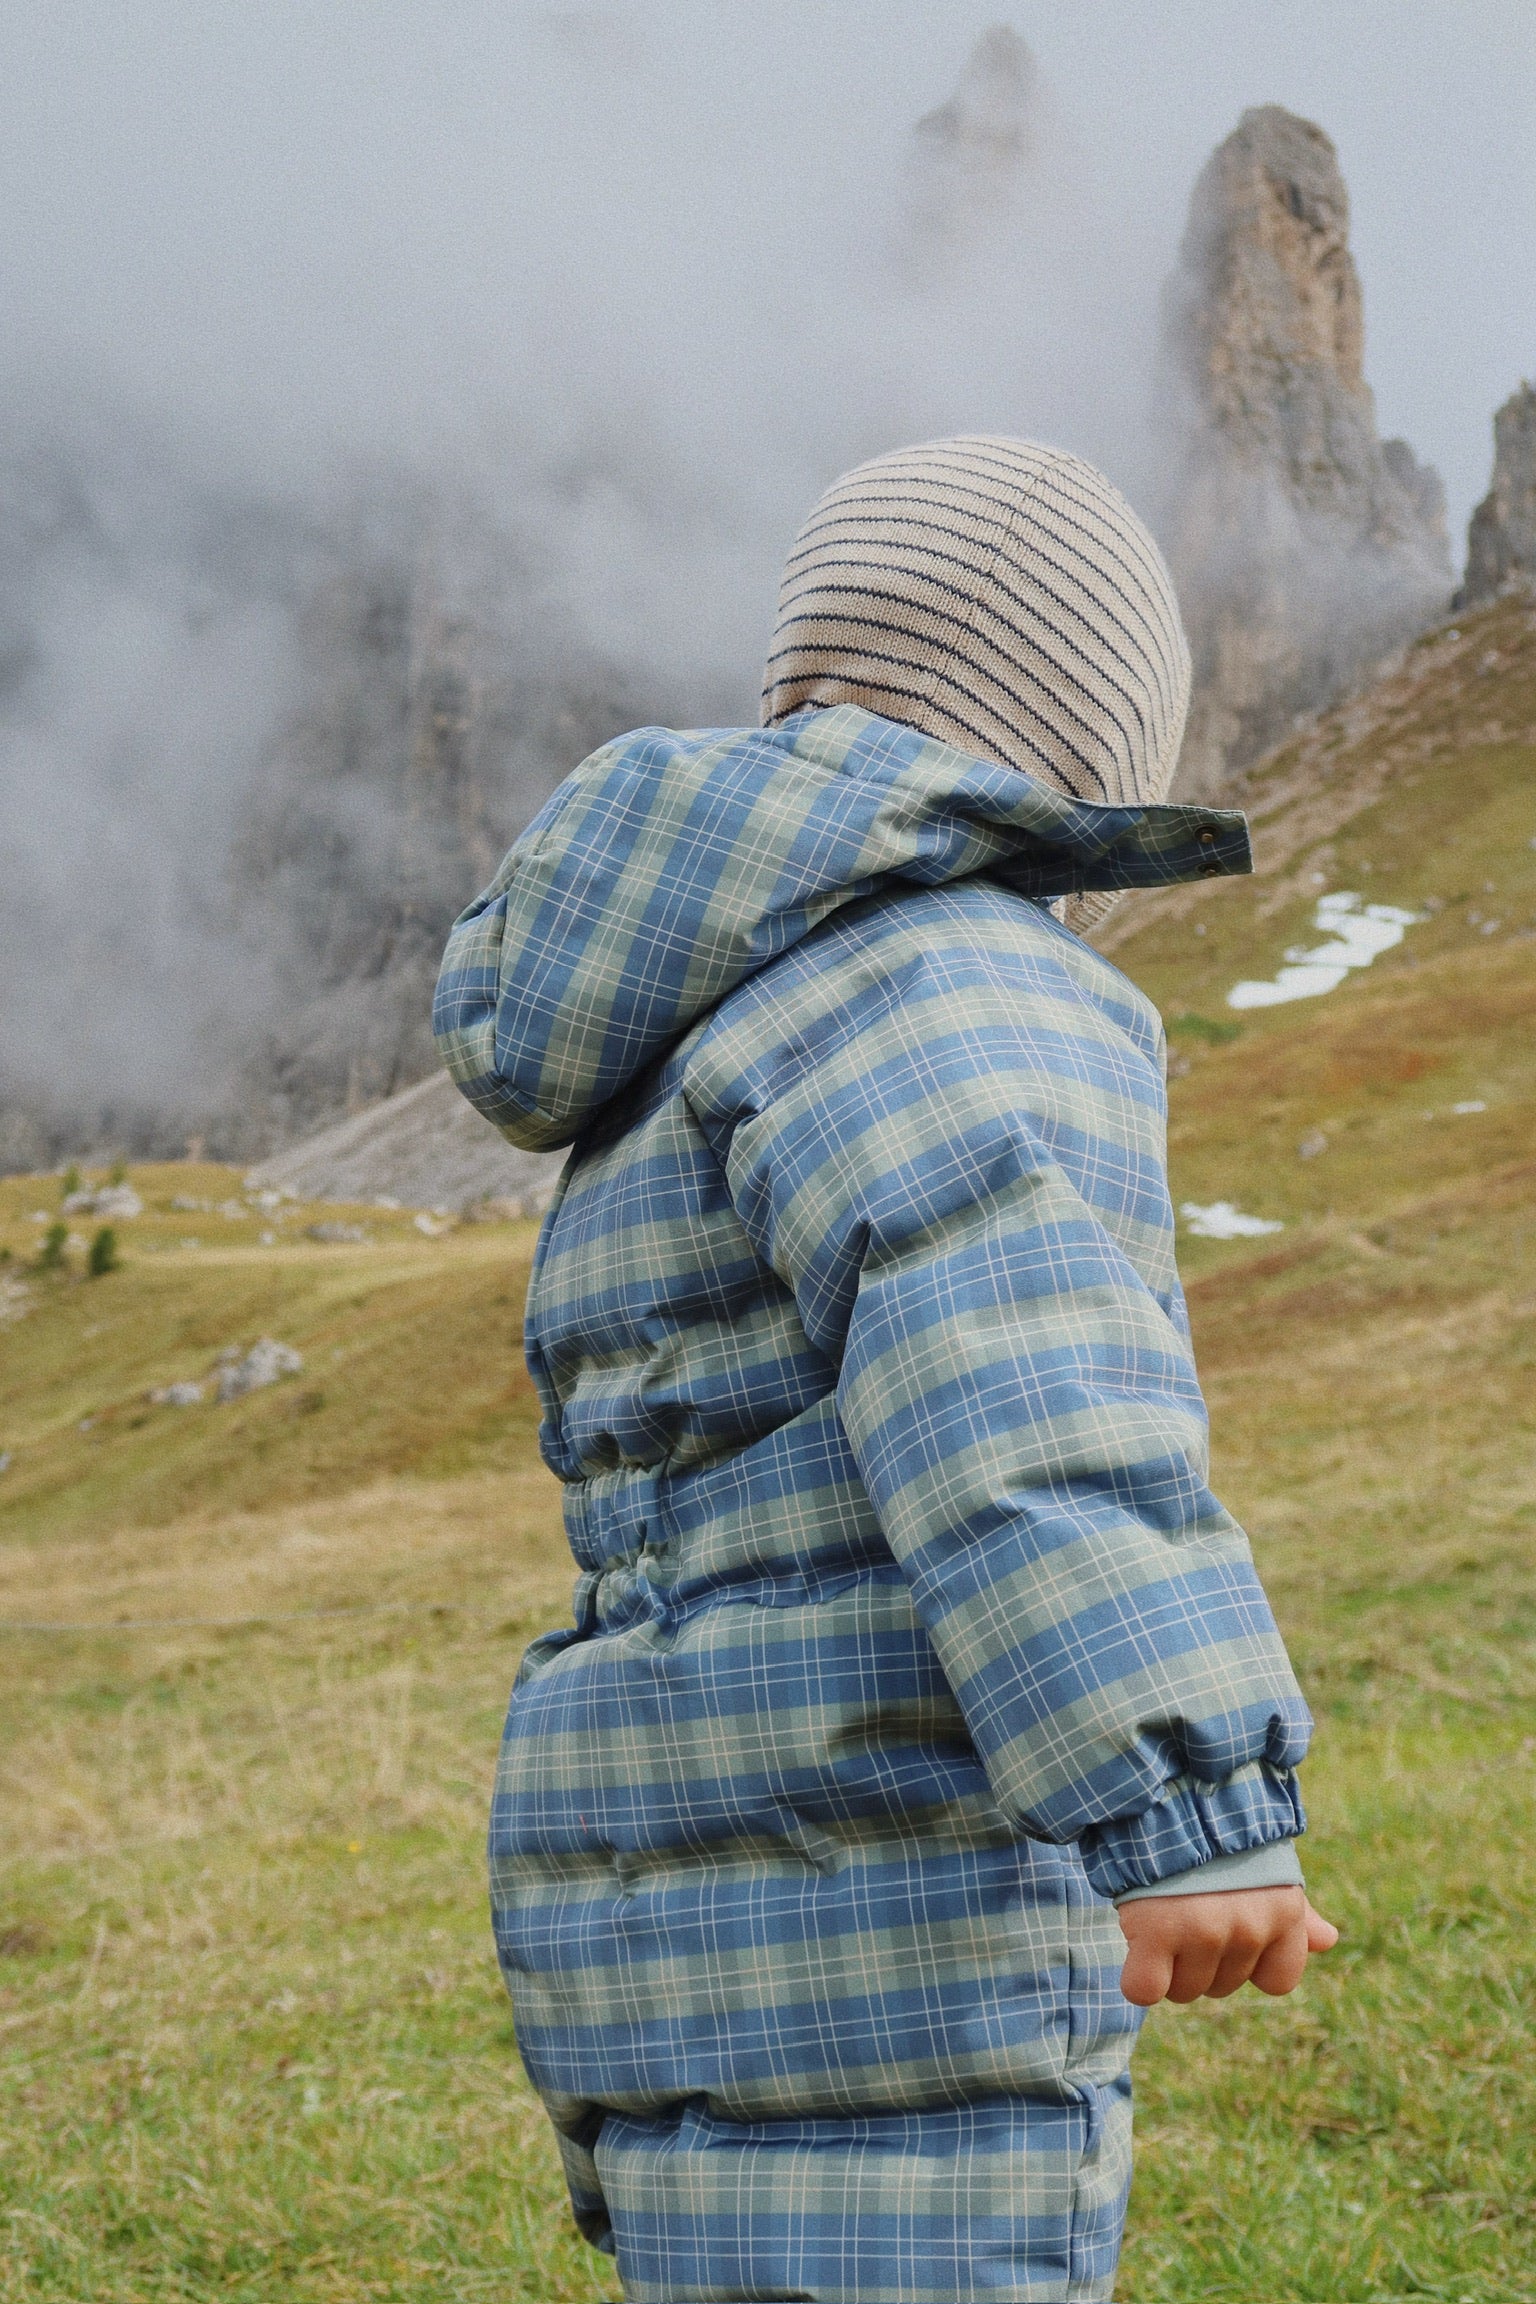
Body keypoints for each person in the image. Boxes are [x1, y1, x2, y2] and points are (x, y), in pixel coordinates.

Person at [434, 436, 1337, 2304]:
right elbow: (1024, 1394)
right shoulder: (948, 973)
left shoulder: (702, 1010)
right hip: (896, 1904)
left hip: (679, 1894)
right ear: (1077, 741)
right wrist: (1190, 1802)